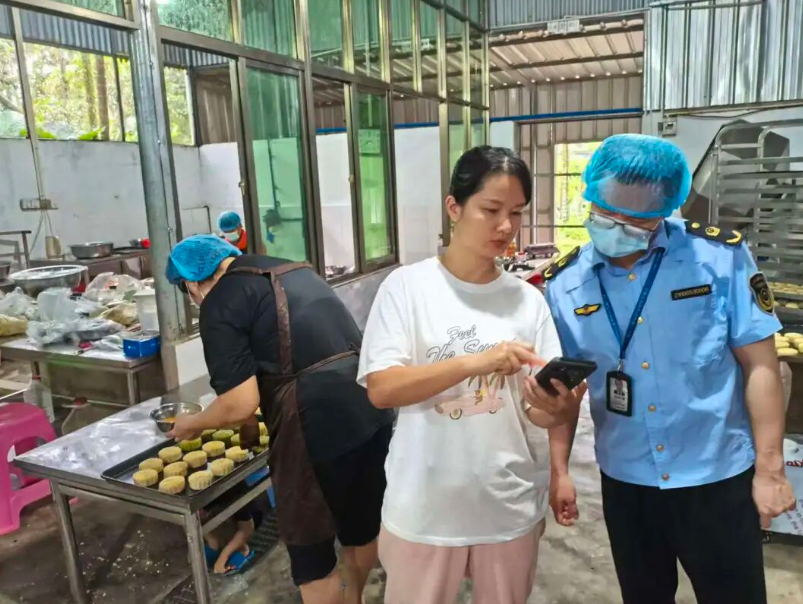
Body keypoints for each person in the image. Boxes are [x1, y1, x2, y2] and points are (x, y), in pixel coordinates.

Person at [543, 133, 797, 604]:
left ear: (663, 211)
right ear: (591, 194)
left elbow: (762, 366)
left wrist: (770, 470)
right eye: (608, 212)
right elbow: (565, 391)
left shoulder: (718, 259)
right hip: (627, 482)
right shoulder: (564, 285)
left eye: (636, 219)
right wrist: (559, 469)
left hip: (716, 478)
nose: (618, 225)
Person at [358, 146, 587, 604]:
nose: (506, 227)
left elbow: (537, 414)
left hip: (507, 507)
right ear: (454, 207)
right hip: (424, 510)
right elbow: (382, 389)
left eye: (516, 213)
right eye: (491, 210)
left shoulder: (528, 301)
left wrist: (558, 413)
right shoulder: (408, 288)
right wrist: (478, 361)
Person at [166, 234, 395, 604]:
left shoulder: (219, 302)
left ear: (192, 282)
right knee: (361, 527)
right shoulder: (293, 269)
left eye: (188, 293)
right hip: (370, 403)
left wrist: (191, 424)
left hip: (314, 422)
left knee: (311, 552)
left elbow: (240, 403)